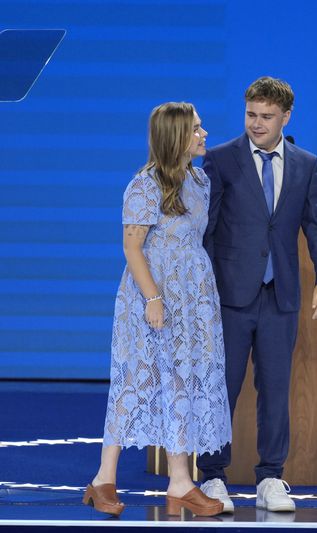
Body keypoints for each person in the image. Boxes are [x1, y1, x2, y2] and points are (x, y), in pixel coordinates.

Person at [196, 76, 317, 513]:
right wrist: (200, 292)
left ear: (286, 117)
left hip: (281, 296)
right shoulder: (220, 160)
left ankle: (271, 477)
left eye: (267, 117)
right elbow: (205, 230)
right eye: (251, 115)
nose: (257, 124)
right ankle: (213, 476)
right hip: (230, 297)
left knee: (276, 390)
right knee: (223, 389)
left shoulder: (306, 164)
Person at [83, 102, 231, 517]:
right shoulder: (144, 185)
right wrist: (153, 298)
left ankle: (181, 482)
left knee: (184, 382)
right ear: (176, 136)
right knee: (137, 381)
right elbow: (132, 248)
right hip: (152, 297)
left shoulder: (200, 180)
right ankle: (102, 479)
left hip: (194, 298)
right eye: (197, 129)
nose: (204, 134)